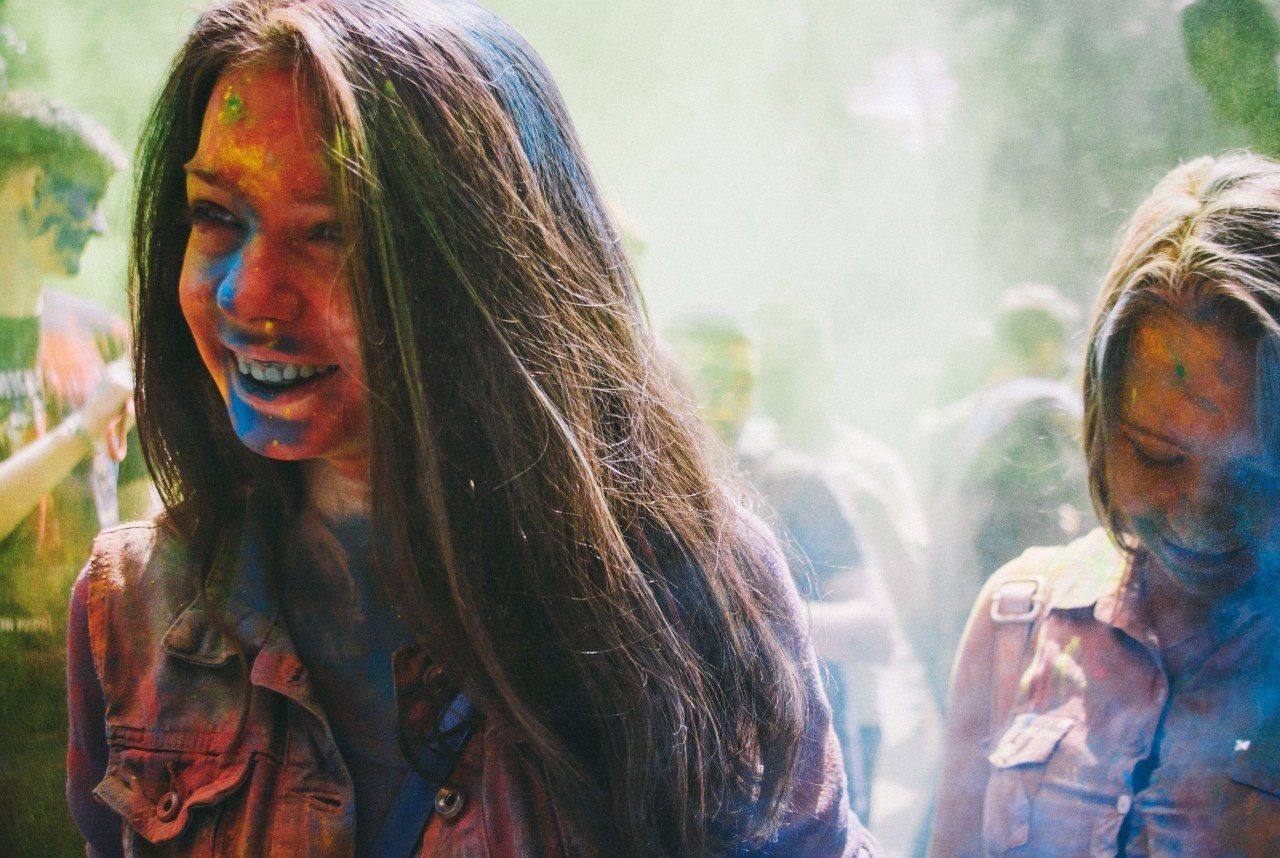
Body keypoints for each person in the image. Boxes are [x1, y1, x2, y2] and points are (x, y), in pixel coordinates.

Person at [65, 2, 877, 856]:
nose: (246, 294)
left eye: (330, 231)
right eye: (217, 216)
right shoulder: (132, 613)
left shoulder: (687, 591)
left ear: (487, 267)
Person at [931, 152, 1280, 855]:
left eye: (1252, 479)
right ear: (1098, 410)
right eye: (1155, 454)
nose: (1193, 514)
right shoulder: (1017, 620)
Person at [668, 315, 895, 822]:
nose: (727, 406)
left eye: (742, 386)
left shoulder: (797, 485)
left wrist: (755, 621)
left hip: (799, 789)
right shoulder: (635, 494)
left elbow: (876, 630)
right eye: (707, 384)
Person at [0, 91, 147, 854]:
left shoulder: (102, 337)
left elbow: (141, 525)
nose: (96, 225)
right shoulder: (98, 388)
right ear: (27, 186)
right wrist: (82, 425)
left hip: (83, 714)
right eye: (83, 199)